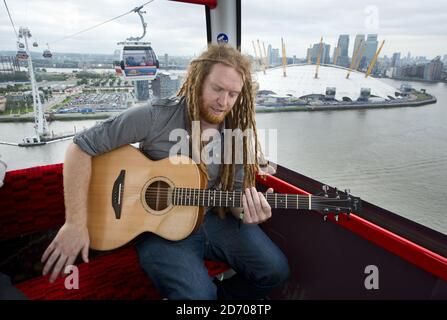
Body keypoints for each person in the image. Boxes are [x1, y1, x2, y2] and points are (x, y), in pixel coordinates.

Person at [41, 44, 290, 300]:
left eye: (233, 94)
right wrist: (75, 223)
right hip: (157, 229)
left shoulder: (236, 133)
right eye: (217, 89)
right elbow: (80, 147)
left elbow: (236, 196)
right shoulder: (156, 116)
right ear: (197, 81)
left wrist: (248, 212)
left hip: (214, 219)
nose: (223, 102)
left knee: (276, 271)